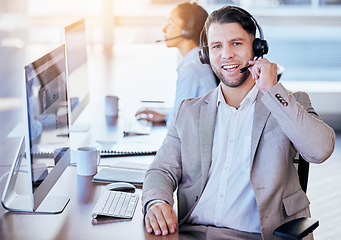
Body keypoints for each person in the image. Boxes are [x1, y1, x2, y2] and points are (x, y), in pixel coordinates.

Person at [142, 5, 336, 240]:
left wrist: (273, 91)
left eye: (236, 43)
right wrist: (157, 202)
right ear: (206, 54)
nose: (226, 55)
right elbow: (161, 169)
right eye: (217, 46)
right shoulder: (189, 111)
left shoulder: (288, 104)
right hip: (191, 233)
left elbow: (321, 150)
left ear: (257, 49)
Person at [136, 2, 217, 126]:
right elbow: (184, 113)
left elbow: (177, 124)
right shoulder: (198, 60)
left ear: (186, 30)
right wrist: (166, 116)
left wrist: (169, 119)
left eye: (170, 24)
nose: (164, 29)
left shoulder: (190, 68)